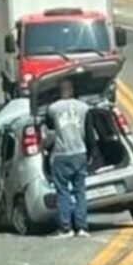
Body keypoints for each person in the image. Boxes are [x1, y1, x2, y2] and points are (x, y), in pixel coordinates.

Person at [46, 79, 93, 238]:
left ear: (60, 91)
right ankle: (82, 227)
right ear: (72, 90)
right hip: (80, 153)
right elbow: (89, 133)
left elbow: (49, 126)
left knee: (63, 192)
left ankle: (66, 228)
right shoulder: (84, 108)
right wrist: (91, 154)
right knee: (80, 191)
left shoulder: (53, 108)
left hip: (61, 154)